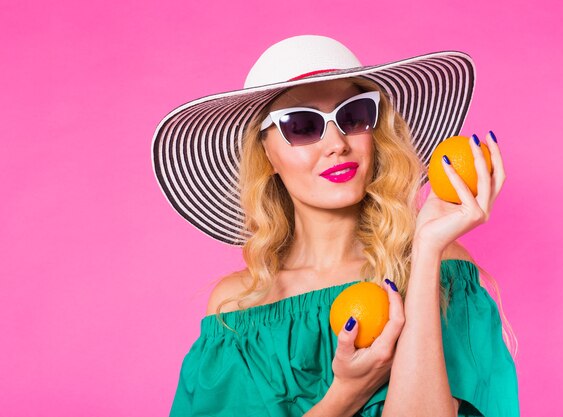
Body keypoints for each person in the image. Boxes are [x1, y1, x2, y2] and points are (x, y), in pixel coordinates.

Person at [152, 35, 519, 416]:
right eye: (302, 125)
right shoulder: (237, 308)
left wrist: (426, 252)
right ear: (267, 154)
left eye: (354, 115)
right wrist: (347, 393)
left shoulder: (442, 272)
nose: (337, 143)